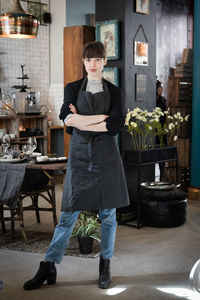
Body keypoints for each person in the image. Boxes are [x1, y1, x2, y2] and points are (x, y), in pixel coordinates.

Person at [23, 41, 130, 291]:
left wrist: (82, 120)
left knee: (108, 216)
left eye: (97, 59)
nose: (92, 64)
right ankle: (49, 263)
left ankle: (105, 263)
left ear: (104, 61)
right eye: (88, 60)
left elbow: (114, 125)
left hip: (106, 157)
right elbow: (67, 119)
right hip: (80, 155)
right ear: (83, 62)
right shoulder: (72, 88)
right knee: (68, 213)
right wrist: (97, 118)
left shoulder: (115, 92)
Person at [156, 79, 167, 180]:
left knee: (162, 153)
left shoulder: (163, 100)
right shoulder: (153, 101)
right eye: (160, 87)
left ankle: (162, 175)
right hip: (155, 130)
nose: (162, 89)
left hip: (162, 130)